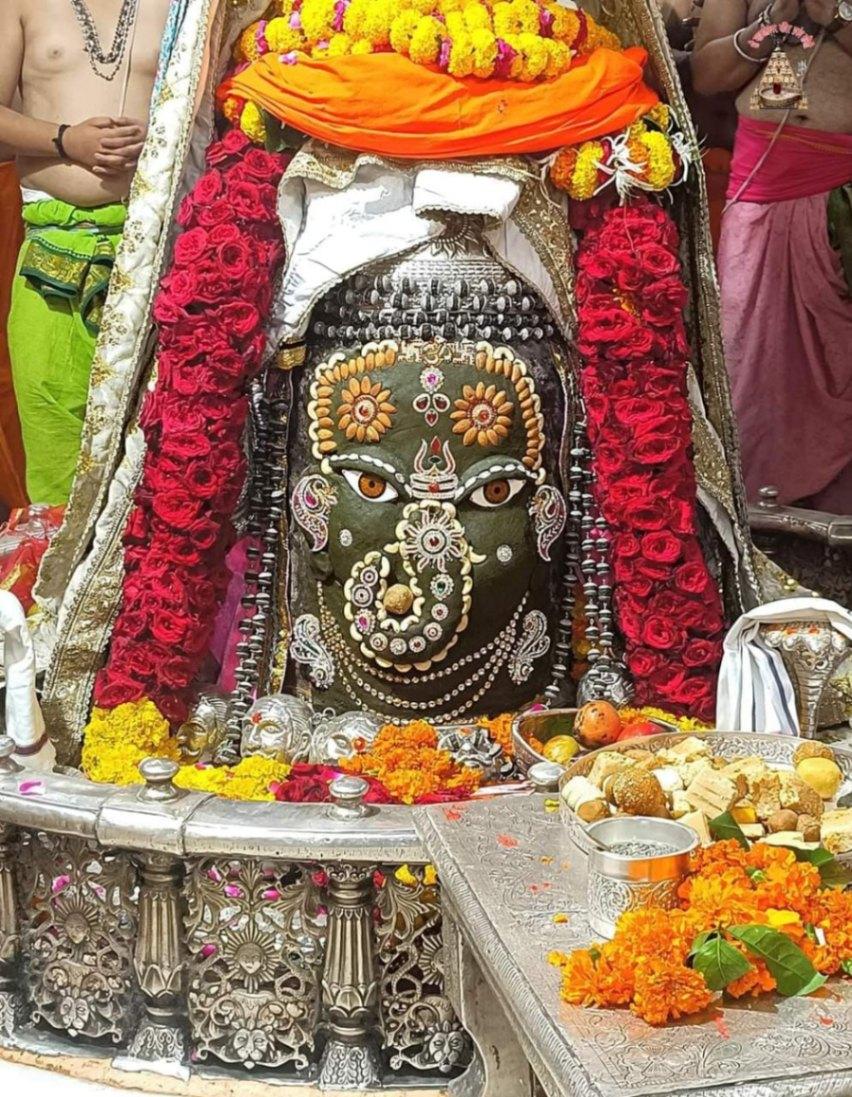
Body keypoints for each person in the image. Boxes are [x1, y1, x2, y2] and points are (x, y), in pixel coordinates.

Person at [0, 0, 170, 506]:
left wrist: (161, 137)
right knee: (54, 431)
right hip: (51, 260)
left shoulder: (183, 8)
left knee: (162, 444)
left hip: (162, 252)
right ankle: (60, 555)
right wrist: (65, 140)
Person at [692, 0, 852, 513]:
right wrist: (767, 24)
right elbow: (706, 76)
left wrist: (835, 17)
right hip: (761, 179)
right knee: (746, 341)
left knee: (839, 350)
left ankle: (836, 511)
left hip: (839, 187)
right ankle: (751, 507)